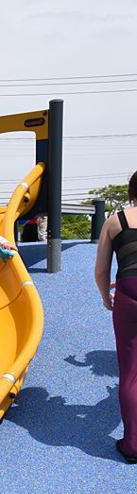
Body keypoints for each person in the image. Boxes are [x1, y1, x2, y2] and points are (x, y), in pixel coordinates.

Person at [94, 170, 137, 463]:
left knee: (131, 371)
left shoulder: (115, 220)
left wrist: (106, 295)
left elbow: (100, 271)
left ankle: (133, 445)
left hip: (128, 292)